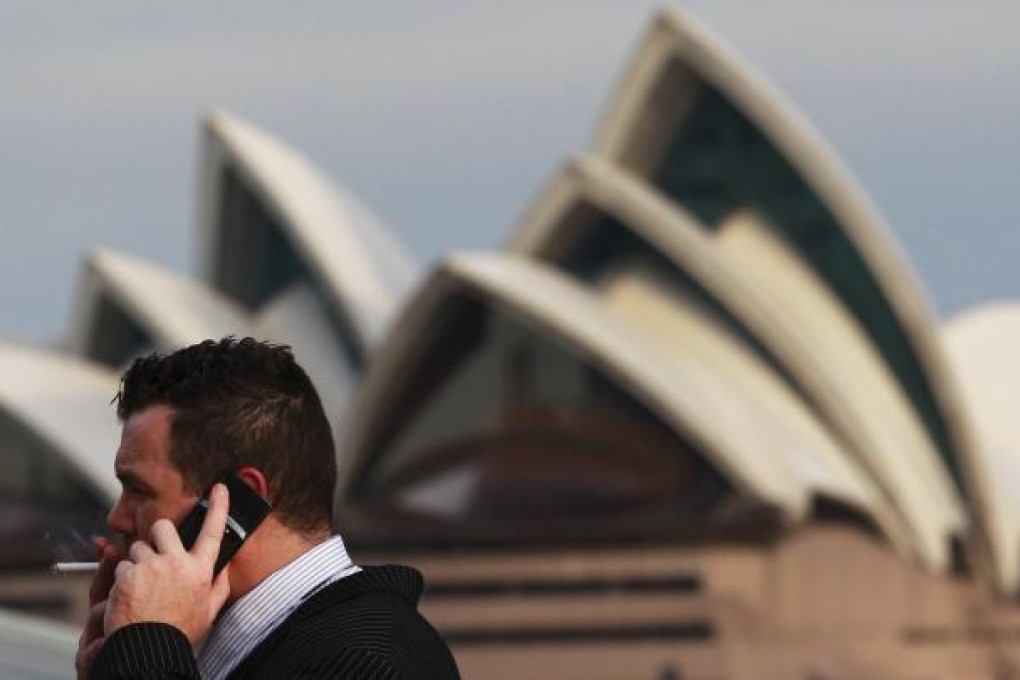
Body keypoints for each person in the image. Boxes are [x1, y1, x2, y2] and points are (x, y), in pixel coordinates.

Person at [76, 337, 460, 679]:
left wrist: (145, 649)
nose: (117, 518)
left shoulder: (368, 660)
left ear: (235, 501)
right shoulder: (274, 651)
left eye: (139, 491)